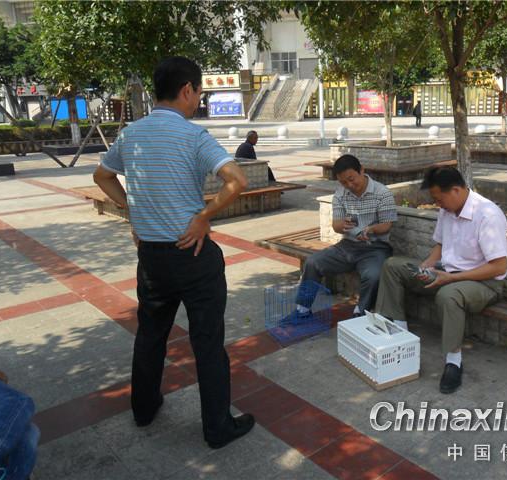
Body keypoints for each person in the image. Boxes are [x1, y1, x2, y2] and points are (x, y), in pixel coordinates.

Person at [93, 56, 253, 449]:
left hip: (152, 259)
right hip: (194, 255)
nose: (198, 100)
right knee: (207, 342)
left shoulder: (130, 134)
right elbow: (236, 180)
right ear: (186, 90)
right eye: (198, 92)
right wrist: (204, 216)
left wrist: (132, 210)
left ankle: (144, 408)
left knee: (150, 335)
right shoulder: (194, 137)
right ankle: (217, 428)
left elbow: (102, 176)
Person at [374, 166, 507, 394]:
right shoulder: (448, 210)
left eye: (439, 199)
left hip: (484, 282)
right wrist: (426, 266)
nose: (437, 204)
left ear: (456, 190)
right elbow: (441, 244)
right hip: (447, 273)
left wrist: (451, 279)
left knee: (448, 295)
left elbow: (498, 267)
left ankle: (453, 361)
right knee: (393, 266)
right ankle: (399, 333)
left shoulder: (488, 215)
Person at [289, 154, 397, 321]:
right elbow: (336, 225)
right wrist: (342, 225)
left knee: (373, 275)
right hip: (347, 246)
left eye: (351, 179)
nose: (349, 185)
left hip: (375, 248)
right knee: (313, 262)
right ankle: (303, 308)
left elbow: (386, 225)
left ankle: (361, 311)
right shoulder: (340, 194)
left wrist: (370, 229)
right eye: (343, 182)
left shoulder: (382, 192)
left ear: (362, 171)